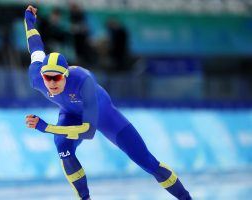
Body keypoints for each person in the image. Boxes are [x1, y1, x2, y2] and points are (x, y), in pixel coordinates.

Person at [24, 5, 192, 200]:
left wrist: (47, 127)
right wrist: (29, 19)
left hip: (103, 115)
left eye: (57, 78)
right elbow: (35, 45)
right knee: (63, 148)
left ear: (66, 75)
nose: (51, 83)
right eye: (48, 78)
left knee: (148, 162)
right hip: (69, 113)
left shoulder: (83, 81)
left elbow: (87, 131)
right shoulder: (36, 77)